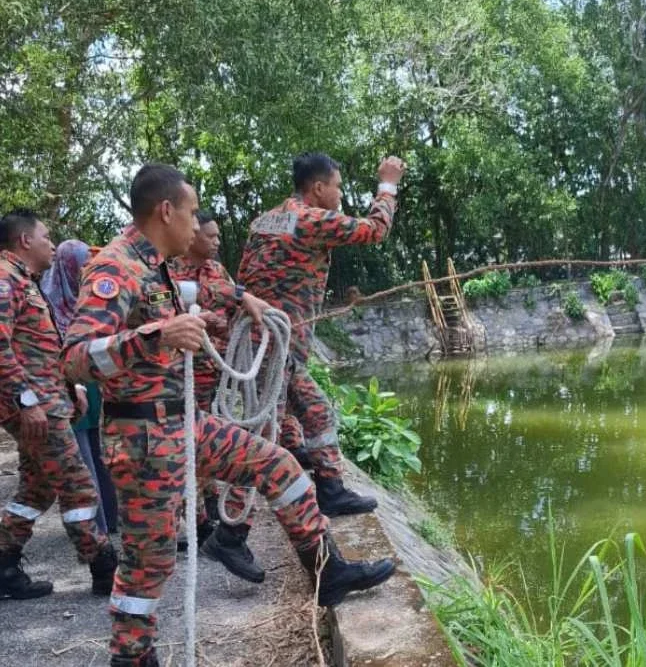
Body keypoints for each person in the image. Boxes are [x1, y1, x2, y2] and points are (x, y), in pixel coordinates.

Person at [61, 164, 395, 667]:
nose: (198, 226)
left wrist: (244, 297)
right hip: (143, 438)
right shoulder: (115, 268)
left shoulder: (157, 265)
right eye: (193, 213)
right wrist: (157, 336)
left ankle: (327, 572)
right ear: (167, 211)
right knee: (148, 565)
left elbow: (202, 289)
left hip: (182, 424)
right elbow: (74, 358)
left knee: (280, 466)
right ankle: (131, 657)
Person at [238, 153, 405, 517]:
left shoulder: (264, 221)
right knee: (266, 435)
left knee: (311, 412)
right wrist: (388, 184)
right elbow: (375, 230)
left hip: (265, 342)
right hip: (276, 346)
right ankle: (233, 529)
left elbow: (245, 278)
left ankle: (326, 486)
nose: (340, 194)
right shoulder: (309, 218)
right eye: (337, 187)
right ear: (317, 188)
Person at [0, 210, 117, 600]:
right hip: (36, 407)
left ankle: (4, 564)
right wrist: (26, 401)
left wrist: (71, 389)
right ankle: (104, 567)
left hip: (46, 401)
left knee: (37, 488)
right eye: (46, 237)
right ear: (25, 241)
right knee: (78, 486)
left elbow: (39, 351)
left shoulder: (24, 281)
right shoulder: (5, 279)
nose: (51, 244)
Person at [169, 210, 261, 583]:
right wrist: (217, 316)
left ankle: (207, 517)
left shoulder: (217, 271)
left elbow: (232, 309)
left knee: (206, 449)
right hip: (183, 376)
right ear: (192, 237)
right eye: (210, 236)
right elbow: (180, 314)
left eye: (218, 236)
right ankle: (196, 523)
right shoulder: (170, 272)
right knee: (191, 449)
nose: (216, 241)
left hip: (217, 372)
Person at [41, 239, 118, 534]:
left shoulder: (91, 302)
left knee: (104, 456)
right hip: (70, 390)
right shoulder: (50, 304)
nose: (88, 270)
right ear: (68, 267)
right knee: (83, 461)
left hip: (97, 387)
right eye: (83, 264)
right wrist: (75, 386)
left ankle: (113, 519)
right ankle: (96, 531)